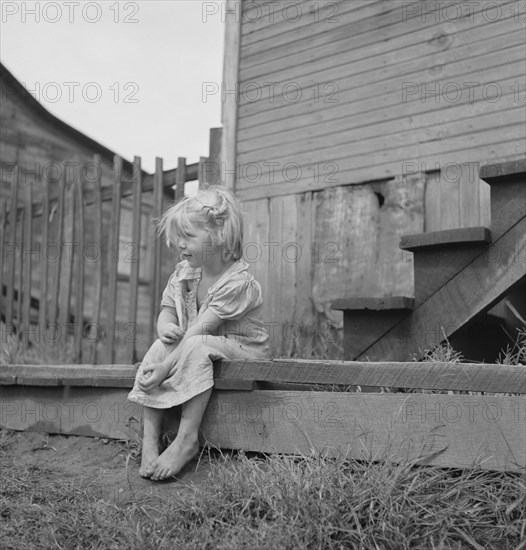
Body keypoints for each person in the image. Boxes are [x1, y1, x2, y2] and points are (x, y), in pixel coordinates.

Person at [128, 185, 270, 481]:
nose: (180, 244)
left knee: (196, 344)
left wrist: (167, 366)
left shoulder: (237, 282)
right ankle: (150, 439)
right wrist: (165, 328)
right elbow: (167, 310)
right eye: (178, 238)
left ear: (219, 236)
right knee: (158, 348)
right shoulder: (185, 272)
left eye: (189, 237)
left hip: (243, 353)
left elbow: (201, 329)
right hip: (198, 345)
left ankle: (186, 440)